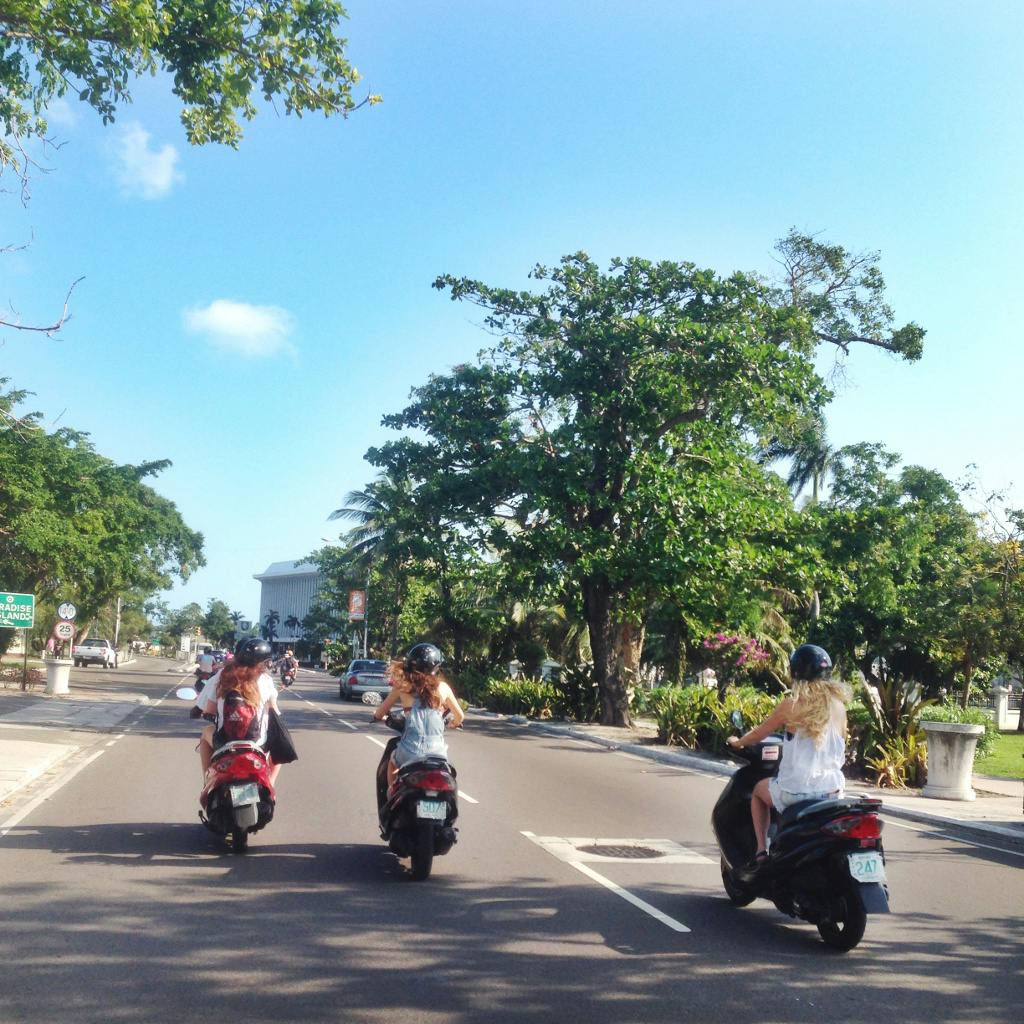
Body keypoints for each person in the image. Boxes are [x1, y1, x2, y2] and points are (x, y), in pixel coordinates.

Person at [727, 644, 851, 866]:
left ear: (795, 673)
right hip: (833, 792)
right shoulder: (839, 707)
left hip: (798, 791)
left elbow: (758, 734)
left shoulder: (791, 705)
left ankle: (761, 851)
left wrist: (738, 742)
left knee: (757, 792)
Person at [372, 642, 464, 790]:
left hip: (410, 751)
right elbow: (460, 716)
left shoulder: (402, 686)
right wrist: (454, 723)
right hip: (438, 753)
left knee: (392, 764)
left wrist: (378, 716)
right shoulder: (443, 688)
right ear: (436, 667)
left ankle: (391, 792)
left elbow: (381, 712)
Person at [196, 637, 282, 785]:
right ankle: (270, 784)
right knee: (280, 744)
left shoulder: (223, 676)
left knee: (205, 734)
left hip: (224, 743)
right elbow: (275, 710)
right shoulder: (266, 680)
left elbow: (209, 710)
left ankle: (208, 781)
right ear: (264, 662)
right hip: (257, 744)